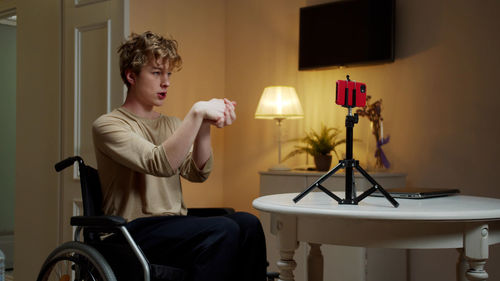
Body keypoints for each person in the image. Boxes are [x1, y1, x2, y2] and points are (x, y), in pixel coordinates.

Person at [92, 31, 267, 281]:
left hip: (173, 225)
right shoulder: (108, 125)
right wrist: (196, 113)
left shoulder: (172, 124)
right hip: (130, 231)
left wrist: (204, 124)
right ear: (131, 76)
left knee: (248, 223)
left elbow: (197, 173)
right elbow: (160, 163)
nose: (166, 82)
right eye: (156, 73)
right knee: (224, 229)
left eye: (169, 74)